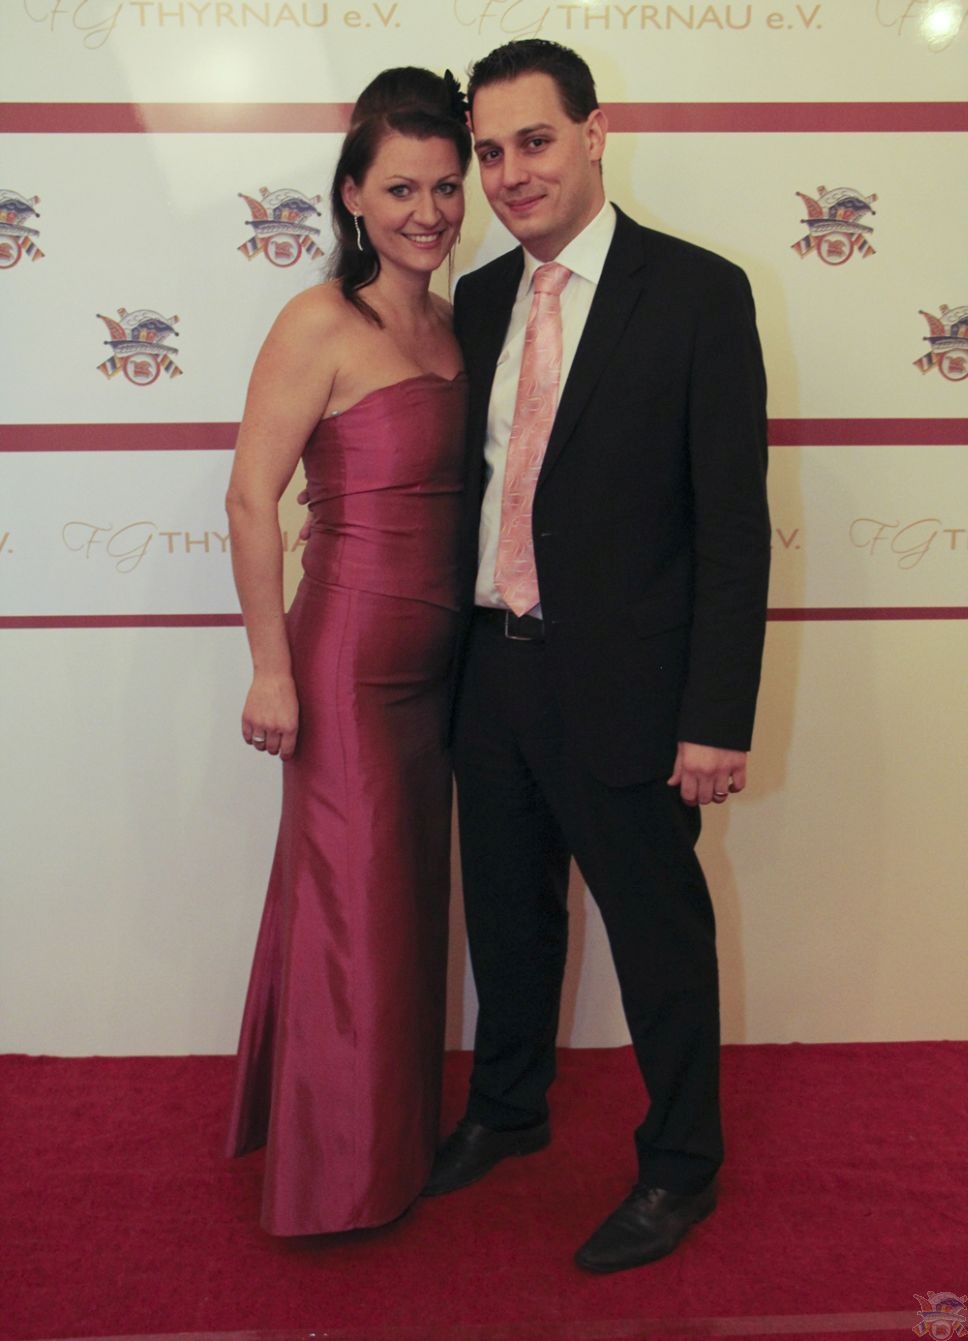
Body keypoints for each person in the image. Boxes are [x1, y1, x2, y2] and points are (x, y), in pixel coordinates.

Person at [422, 40, 771, 1275]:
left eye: (534, 141)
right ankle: (507, 1110)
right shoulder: (474, 301)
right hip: (492, 673)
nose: (510, 173)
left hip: (632, 690)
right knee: (508, 922)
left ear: (593, 132)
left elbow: (731, 526)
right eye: (490, 151)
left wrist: (714, 716)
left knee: (657, 943)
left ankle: (680, 1166)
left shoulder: (697, 292)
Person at [224, 67, 471, 1235]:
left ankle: (385, 1138)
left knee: (400, 905)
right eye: (401, 189)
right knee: (352, 914)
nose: (428, 211)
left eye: (445, 187)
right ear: (353, 196)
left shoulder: (454, 321)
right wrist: (272, 669)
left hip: (441, 676)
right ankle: (339, 1179)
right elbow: (248, 499)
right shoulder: (318, 320)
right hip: (345, 668)